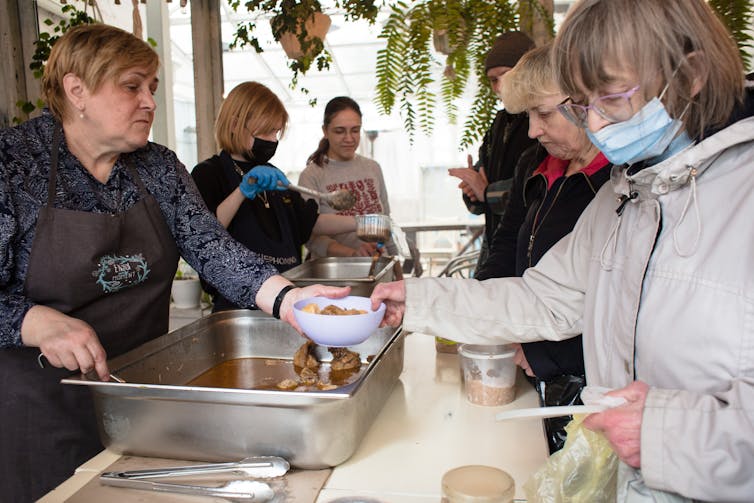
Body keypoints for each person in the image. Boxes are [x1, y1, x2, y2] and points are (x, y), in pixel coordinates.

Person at [371, 0, 754, 500]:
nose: (594, 124)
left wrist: (666, 433)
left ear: (692, 73)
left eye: (611, 97)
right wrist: (418, 302)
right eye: (580, 104)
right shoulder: (628, 195)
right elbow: (544, 299)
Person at [0, 24, 348, 501]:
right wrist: (31, 320)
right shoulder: (14, 166)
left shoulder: (157, 167)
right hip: (39, 409)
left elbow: (210, 247)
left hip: (139, 400)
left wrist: (287, 300)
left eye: (153, 88)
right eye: (132, 86)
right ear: (76, 90)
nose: (149, 101)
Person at [475, 43, 612, 454]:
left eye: (544, 114)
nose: (533, 130)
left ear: (585, 102)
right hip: (529, 359)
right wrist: (480, 308)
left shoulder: (616, 181)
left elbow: (617, 307)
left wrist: (551, 353)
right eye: (528, 116)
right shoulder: (533, 164)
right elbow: (504, 247)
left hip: (586, 375)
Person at [191, 82, 359, 312]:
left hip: (286, 300)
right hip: (238, 306)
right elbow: (204, 232)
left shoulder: (273, 176)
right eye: (265, 131)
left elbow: (311, 222)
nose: (272, 140)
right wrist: (242, 191)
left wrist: (363, 222)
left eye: (276, 132)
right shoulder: (209, 174)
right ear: (234, 125)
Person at [448, 31, 537, 275]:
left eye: (505, 76)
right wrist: (473, 191)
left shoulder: (543, 122)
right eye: (492, 80)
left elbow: (535, 189)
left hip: (531, 255)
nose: (499, 87)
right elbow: (482, 173)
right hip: (498, 247)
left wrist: (486, 191)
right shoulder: (499, 123)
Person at [298, 96, 391, 259]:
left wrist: (397, 273)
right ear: (325, 131)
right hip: (336, 274)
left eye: (355, 130)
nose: (349, 138)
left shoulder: (372, 168)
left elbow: (386, 223)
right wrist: (352, 253)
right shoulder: (312, 175)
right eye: (340, 131)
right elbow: (309, 236)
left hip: (376, 268)